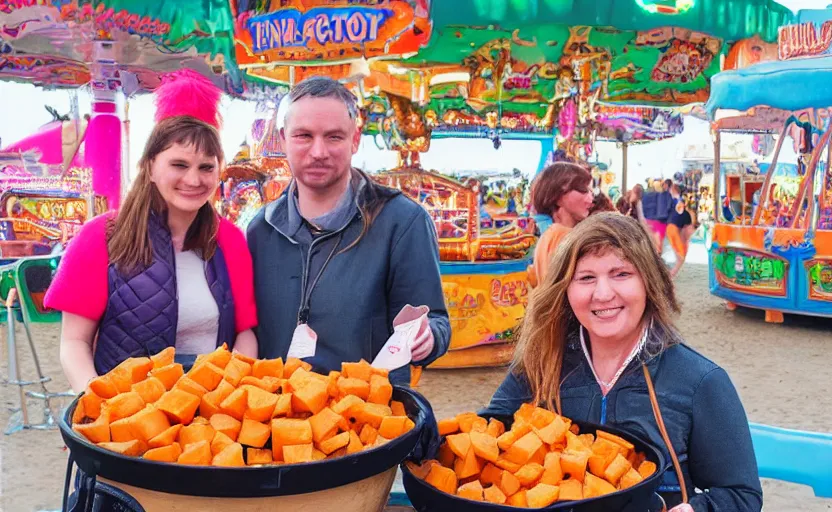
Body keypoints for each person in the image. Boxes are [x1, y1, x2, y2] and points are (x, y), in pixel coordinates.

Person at [482, 213, 761, 512]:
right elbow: (484, 437)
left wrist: (698, 509)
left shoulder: (699, 380)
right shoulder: (540, 362)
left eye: (621, 274)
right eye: (586, 278)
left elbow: (741, 494)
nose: (603, 294)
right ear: (565, 290)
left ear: (649, 282)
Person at [45, 70, 258, 392]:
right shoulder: (102, 236)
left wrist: (233, 389)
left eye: (206, 167)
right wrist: (98, 402)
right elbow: (74, 342)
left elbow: (244, 333)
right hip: (125, 418)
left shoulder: (229, 239)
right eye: (179, 165)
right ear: (150, 166)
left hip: (210, 419)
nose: (194, 180)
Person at [246, 76, 450, 385]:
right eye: (304, 136)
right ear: (283, 138)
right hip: (279, 418)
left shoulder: (403, 222)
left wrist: (428, 337)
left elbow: (435, 320)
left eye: (334, 137)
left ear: (355, 140)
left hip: (364, 419)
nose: (318, 151)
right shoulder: (261, 229)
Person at [527, 162, 593, 287]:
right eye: (583, 189)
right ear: (557, 195)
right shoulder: (564, 236)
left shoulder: (551, 233)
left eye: (590, 191)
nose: (590, 198)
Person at [667, 184, 694, 277]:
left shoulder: (673, 202)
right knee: (681, 257)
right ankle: (671, 274)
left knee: (679, 256)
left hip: (671, 228)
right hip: (674, 229)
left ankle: (670, 273)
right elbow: (688, 232)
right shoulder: (679, 204)